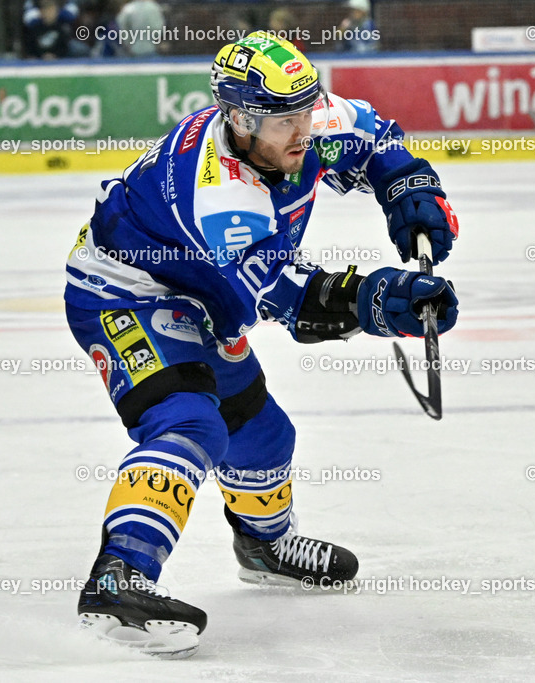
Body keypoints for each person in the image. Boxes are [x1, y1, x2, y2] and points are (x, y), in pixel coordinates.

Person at [65, 31, 459, 658]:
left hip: (203, 295)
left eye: (306, 110)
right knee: (190, 422)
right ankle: (120, 577)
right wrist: (382, 300)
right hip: (127, 295)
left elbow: (375, 140)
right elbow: (289, 297)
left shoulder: (301, 121)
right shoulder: (220, 199)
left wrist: (407, 188)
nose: (303, 132)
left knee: (261, 432)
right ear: (241, 121)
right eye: (284, 121)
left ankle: (263, 546)